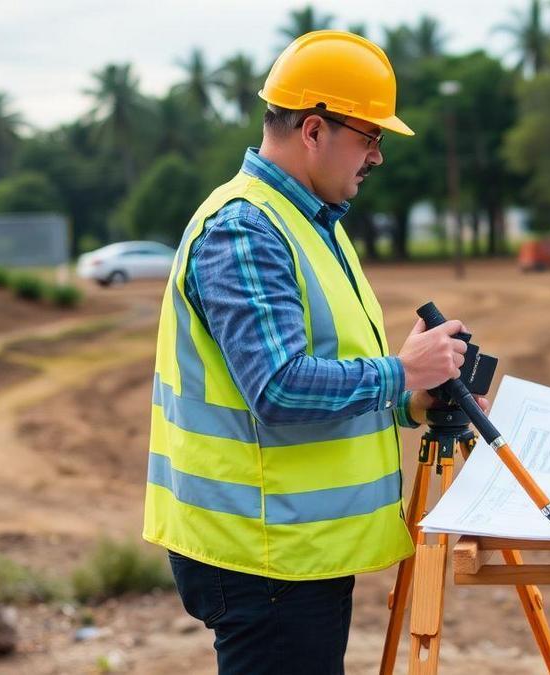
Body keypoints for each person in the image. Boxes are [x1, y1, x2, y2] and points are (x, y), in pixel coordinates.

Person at [142, 30, 485, 673]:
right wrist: (401, 369)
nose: (377, 156)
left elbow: (334, 379)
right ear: (313, 129)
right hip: (263, 553)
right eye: (369, 136)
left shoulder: (311, 222)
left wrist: (409, 398)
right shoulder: (247, 228)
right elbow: (277, 389)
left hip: (294, 546)